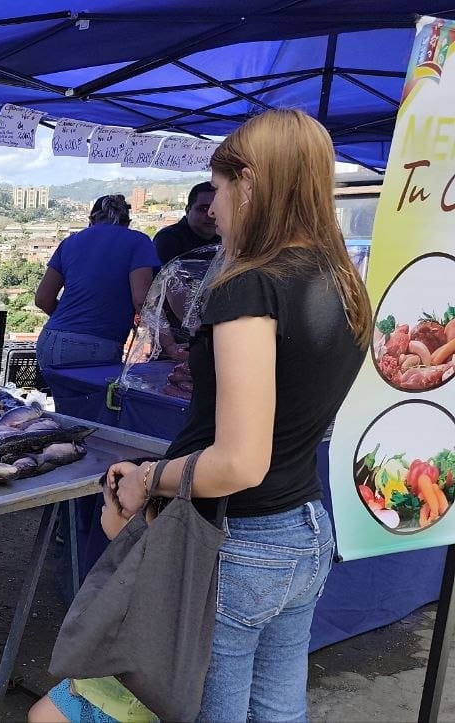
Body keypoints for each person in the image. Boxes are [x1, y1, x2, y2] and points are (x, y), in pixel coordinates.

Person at [107, 109, 371, 721]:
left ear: (248, 183)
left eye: (219, 188)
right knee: (278, 711)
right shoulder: (341, 279)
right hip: (305, 528)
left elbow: (239, 463)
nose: (215, 208)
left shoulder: (250, 286)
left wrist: (148, 478)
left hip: (241, 539)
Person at [28, 481, 158, 723]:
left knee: (42, 716)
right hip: (99, 683)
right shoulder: (138, 562)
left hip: (123, 700)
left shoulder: (132, 579)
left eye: (106, 506)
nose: (101, 511)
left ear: (132, 522)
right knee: (40, 715)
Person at [33, 194, 160, 371]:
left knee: (58, 390)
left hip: (50, 338)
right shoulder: (139, 241)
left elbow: (42, 299)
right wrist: (169, 344)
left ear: (91, 220)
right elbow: (141, 301)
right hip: (96, 343)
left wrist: (73, 323)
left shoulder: (70, 242)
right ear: (127, 222)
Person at [152, 181, 219, 264]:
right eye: (204, 209)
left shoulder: (226, 238)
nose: (211, 215)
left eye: (218, 209)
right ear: (187, 211)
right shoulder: (169, 239)